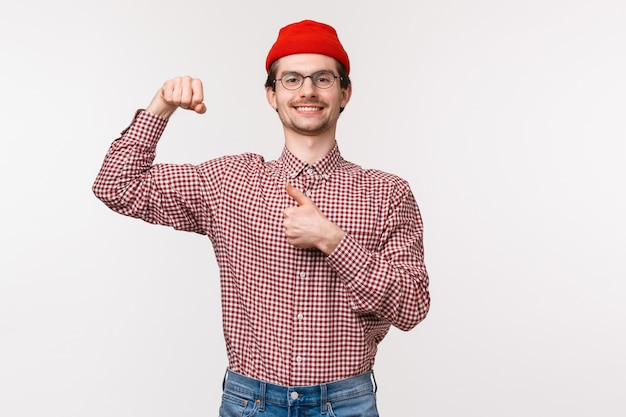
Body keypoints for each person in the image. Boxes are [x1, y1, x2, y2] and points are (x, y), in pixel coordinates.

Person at [93, 19, 430, 417]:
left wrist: (333, 241)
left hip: (346, 403)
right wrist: (161, 106)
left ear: (345, 92)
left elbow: (412, 308)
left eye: (323, 78)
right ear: (272, 95)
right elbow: (116, 185)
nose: (307, 90)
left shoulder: (387, 193)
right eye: (291, 80)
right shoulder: (229, 182)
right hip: (251, 402)